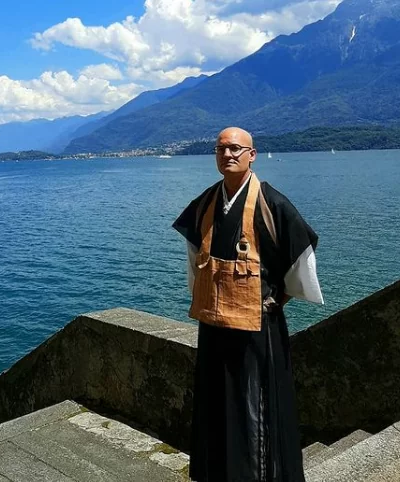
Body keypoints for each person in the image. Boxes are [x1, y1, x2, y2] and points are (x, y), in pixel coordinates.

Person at [172, 127, 324, 482]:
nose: (228, 154)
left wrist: (277, 299)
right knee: (214, 404)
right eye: (221, 148)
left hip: (258, 327)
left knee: (254, 409)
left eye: (236, 148)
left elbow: (301, 258)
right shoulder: (206, 203)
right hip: (213, 324)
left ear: (252, 155)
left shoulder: (273, 203)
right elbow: (195, 257)